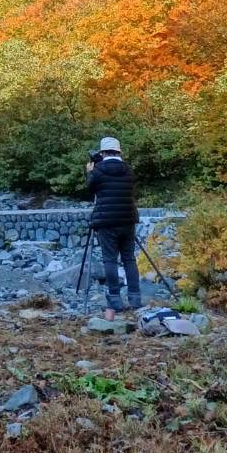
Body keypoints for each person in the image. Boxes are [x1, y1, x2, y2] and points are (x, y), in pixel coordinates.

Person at [86, 135, 141, 320]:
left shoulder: (98, 170)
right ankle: (135, 297)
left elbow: (90, 189)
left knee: (109, 259)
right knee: (129, 259)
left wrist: (89, 171)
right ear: (119, 151)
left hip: (106, 220)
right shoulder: (128, 170)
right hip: (127, 219)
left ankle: (115, 298)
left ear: (102, 152)